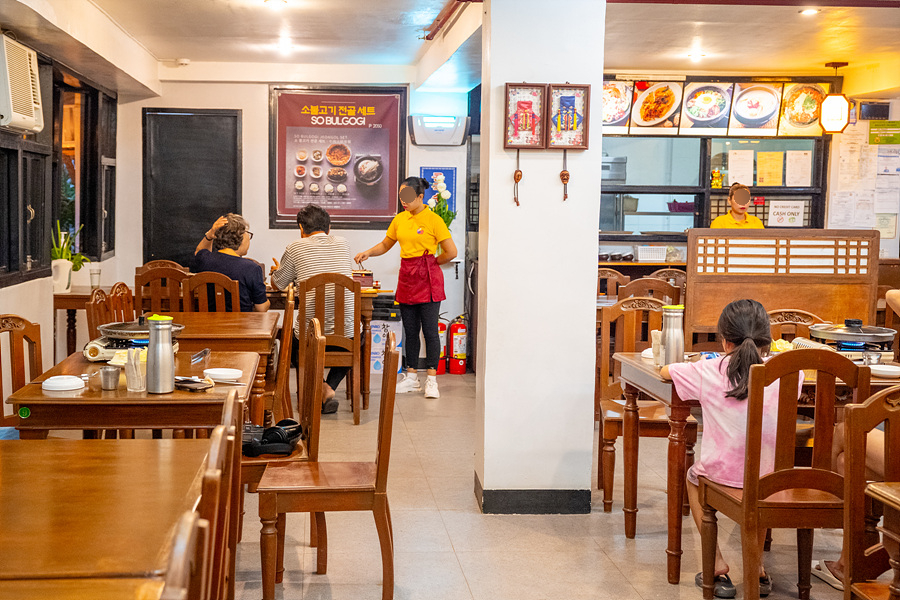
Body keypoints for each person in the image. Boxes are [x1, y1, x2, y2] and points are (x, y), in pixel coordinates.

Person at [660, 299, 800, 599]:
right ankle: (758, 568)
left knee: (692, 478)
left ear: (724, 341)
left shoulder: (707, 370)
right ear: (769, 340)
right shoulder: (792, 374)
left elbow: (665, 371)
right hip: (773, 481)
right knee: (763, 481)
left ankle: (717, 565)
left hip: (723, 478)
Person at [354, 176, 458, 399]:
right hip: (407, 277)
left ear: (421, 197)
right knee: (410, 330)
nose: (404, 200)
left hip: (429, 279)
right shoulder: (400, 220)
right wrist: (368, 253)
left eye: (409, 196)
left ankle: (431, 379)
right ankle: (411, 377)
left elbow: (451, 252)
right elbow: (386, 244)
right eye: (402, 196)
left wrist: (432, 263)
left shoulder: (434, 220)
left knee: (429, 330)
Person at [270, 204, 354, 414]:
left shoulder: (295, 247)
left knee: (295, 341)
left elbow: (278, 284)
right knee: (356, 338)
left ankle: (321, 387)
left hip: (310, 338)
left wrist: (277, 272)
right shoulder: (343, 244)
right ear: (329, 227)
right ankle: (329, 388)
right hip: (346, 338)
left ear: (301, 228)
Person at [194, 214, 269, 312]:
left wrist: (210, 234)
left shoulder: (204, 260)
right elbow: (261, 308)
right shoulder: (251, 268)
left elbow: (199, 251)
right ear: (241, 236)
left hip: (209, 325)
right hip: (241, 326)